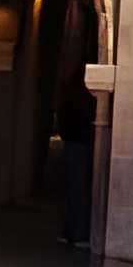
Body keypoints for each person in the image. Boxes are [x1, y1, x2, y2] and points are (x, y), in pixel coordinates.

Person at [56, 72, 97, 248]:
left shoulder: (68, 100)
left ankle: (68, 232)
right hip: (82, 146)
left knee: (73, 190)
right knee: (82, 191)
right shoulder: (85, 101)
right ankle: (79, 235)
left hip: (71, 144)